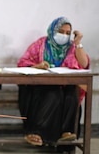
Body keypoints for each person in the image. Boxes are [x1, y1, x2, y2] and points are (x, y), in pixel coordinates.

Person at [17, 16, 90, 147]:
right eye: (61, 31)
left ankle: (67, 133)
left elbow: (84, 64)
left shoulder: (72, 48)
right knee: (53, 94)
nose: (64, 35)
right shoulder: (40, 44)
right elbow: (22, 64)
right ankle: (37, 133)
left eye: (68, 33)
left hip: (64, 85)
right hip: (41, 86)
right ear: (52, 30)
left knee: (72, 94)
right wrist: (37, 66)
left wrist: (78, 42)